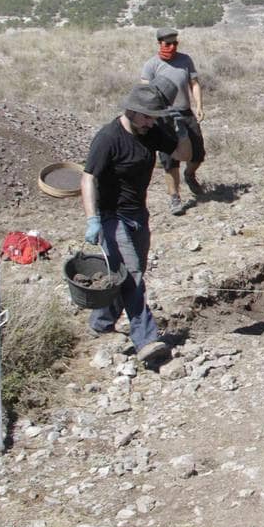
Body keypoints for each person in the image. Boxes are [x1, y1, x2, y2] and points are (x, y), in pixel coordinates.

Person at [81, 82, 192, 365]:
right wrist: (93, 219)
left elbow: (183, 155)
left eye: (155, 116)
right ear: (131, 111)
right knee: (132, 277)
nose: (151, 121)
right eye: (147, 116)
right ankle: (146, 340)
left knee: (130, 273)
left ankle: (101, 323)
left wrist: (181, 131)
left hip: (138, 216)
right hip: (111, 217)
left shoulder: (150, 132)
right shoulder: (108, 138)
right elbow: (88, 178)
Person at [140, 27, 206, 216]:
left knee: (198, 153)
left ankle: (190, 175)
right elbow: (146, 93)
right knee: (170, 161)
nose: (172, 47)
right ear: (159, 44)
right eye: (168, 44)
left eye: (175, 43)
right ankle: (174, 197)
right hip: (164, 118)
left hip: (186, 113)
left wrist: (199, 105)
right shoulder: (151, 65)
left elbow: (194, 84)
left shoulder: (185, 60)